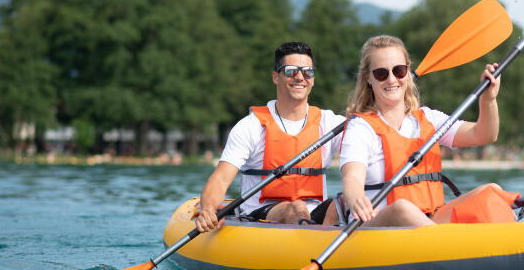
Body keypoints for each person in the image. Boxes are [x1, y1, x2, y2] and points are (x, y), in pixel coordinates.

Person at [339, 35, 502, 227]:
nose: (392, 79)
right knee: (403, 209)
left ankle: (509, 247)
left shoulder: (428, 119)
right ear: (368, 78)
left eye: (399, 71)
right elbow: (352, 177)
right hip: (376, 225)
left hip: (428, 221)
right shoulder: (360, 127)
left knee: (492, 191)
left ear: (407, 72)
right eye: (381, 73)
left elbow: (484, 134)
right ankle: (452, 249)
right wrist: (356, 198)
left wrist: (488, 100)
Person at [196, 41, 346, 232]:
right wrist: (208, 209)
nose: (300, 77)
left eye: (307, 72)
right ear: (276, 77)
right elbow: (220, 179)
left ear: (313, 79)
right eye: (291, 71)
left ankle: (327, 246)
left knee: (346, 201)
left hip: (315, 214)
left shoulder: (330, 123)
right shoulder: (250, 126)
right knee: (296, 207)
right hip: (260, 214)